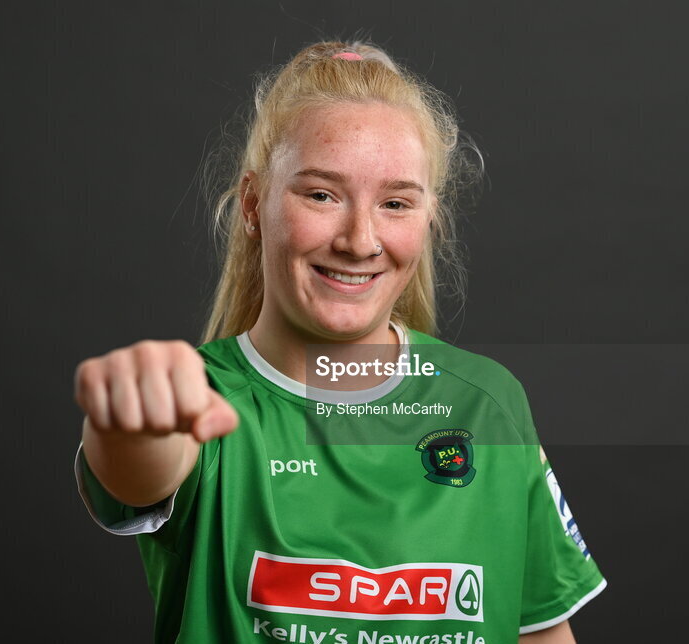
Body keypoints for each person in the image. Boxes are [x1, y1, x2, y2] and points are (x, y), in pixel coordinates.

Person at [72, 40, 606, 643]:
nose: (359, 240)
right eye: (321, 195)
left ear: (429, 219)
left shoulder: (488, 402)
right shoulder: (201, 398)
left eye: (396, 203)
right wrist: (130, 419)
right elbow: (137, 468)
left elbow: (540, 633)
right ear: (253, 203)